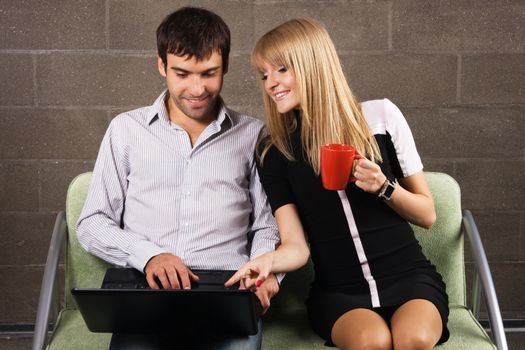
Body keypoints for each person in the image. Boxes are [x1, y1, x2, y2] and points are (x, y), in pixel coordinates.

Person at [226, 18, 449, 350]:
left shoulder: (381, 118)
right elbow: (296, 246)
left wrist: (384, 187)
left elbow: (427, 214)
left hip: (410, 277)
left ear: (312, 64)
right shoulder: (274, 150)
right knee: (372, 341)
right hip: (340, 291)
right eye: (264, 74)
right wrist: (266, 261)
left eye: (281, 69)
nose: (270, 83)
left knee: (412, 339)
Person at [77, 7, 281, 350]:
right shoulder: (126, 130)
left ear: (226, 66)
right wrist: (149, 256)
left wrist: (263, 272)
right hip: (147, 291)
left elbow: (267, 225)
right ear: (161, 65)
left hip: (227, 292)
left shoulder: (254, 135)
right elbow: (93, 222)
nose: (196, 88)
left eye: (209, 73)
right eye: (182, 74)